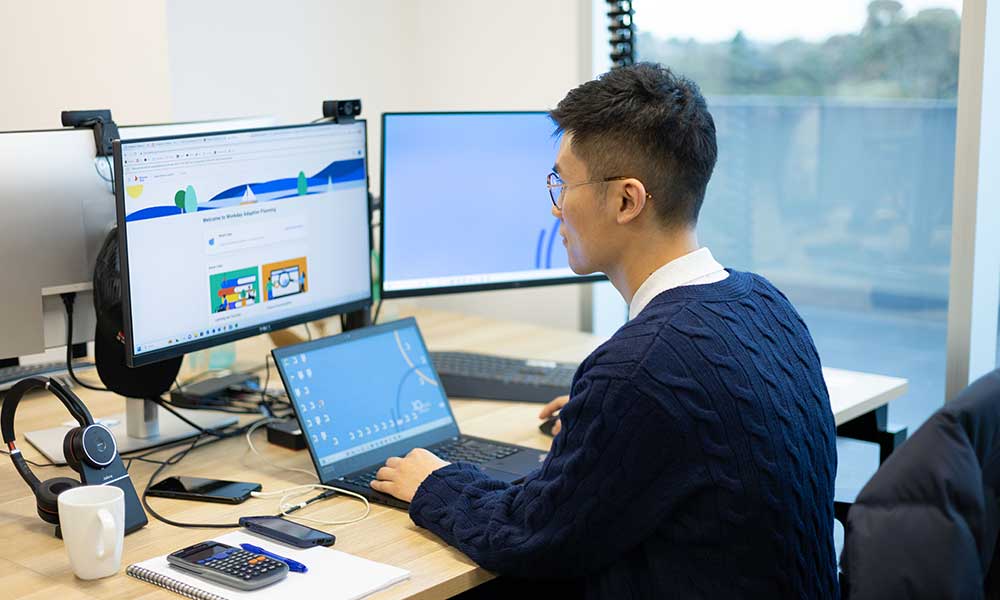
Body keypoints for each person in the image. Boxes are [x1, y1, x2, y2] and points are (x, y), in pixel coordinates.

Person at [371, 63, 838, 599]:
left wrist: (434, 484)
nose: (554, 207)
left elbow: (532, 536)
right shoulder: (763, 301)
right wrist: (606, 419)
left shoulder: (641, 369)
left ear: (626, 200)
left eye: (563, 184)